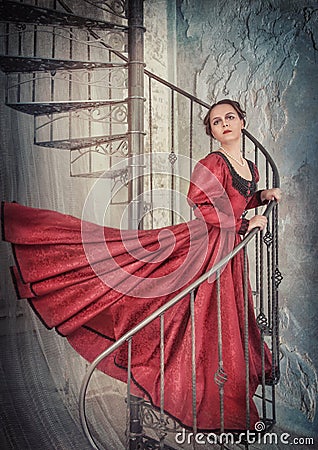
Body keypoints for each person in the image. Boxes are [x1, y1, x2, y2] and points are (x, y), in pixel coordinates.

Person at [1, 99, 281, 432]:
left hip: (226, 250)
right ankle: (33, 231)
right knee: (148, 281)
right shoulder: (212, 162)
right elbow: (203, 205)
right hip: (203, 244)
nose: (224, 124)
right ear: (211, 131)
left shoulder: (251, 165)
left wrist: (260, 196)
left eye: (230, 117)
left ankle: (220, 398)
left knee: (217, 320)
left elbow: (235, 197)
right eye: (216, 121)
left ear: (242, 121)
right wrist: (242, 225)